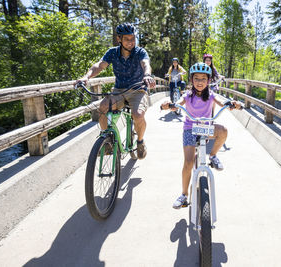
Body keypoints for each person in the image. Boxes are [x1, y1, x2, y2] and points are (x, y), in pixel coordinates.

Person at [161, 62, 242, 209]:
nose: (199, 82)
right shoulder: (188, 95)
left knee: (223, 131)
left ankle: (213, 156)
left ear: (209, 80)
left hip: (206, 128)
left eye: (203, 79)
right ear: (191, 80)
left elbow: (222, 101)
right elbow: (179, 102)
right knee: (188, 163)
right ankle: (184, 195)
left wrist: (231, 103)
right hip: (190, 129)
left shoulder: (211, 95)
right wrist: (171, 104)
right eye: (196, 78)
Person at [75, 23, 155, 159]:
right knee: (102, 107)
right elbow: (99, 66)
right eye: (127, 39)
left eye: (133, 38)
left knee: (138, 114)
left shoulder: (140, 52)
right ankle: (107, 141)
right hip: (119, 91)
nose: (131, 42)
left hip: (137, 90)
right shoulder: (113, 52)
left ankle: (140, 141)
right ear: (119, 39)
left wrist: (147, 75)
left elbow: (145, 64)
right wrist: (86, 77)